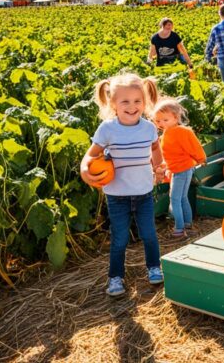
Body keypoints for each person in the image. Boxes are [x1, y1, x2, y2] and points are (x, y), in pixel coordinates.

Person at [79, 73, 164, 297]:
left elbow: (155, 148)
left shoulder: (148, 128)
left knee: (149, 234)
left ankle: (154, 267)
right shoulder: (107, 129)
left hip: (144, 192)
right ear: (113, 104)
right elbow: (90, 156)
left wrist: (159, 166)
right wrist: (85, 170)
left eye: (137, 101)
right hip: (116, 195)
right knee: (120, 239)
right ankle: (116, 277)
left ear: (144, 102)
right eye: (125, 101)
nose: (132, 106)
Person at [152, 99, 206, 237]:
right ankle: (187, 224)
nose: (161, 124)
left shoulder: (181, 131)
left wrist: (201, 158)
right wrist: (163, 165)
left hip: (181, 170)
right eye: (158, 121)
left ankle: (179, 228)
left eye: (165, 120)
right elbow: (169, 154)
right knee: (182, 198)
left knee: (175, 199)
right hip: (180, 169)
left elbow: (194, 146)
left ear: (175, 117)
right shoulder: (167, 133)